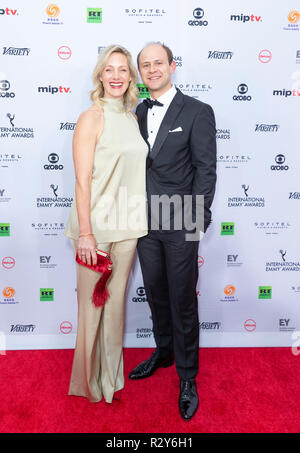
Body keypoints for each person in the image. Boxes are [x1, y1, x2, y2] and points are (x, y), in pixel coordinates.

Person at [128, 42, 217, 420]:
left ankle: (187, 376)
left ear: (172, 66)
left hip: (181, 223)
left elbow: (205, 170)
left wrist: (195, 220)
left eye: (157, 63)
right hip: (145, 224)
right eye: (145, 65)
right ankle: (163, 352)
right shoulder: (137, 110)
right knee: (157, 296)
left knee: (183, 301)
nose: (151, 70)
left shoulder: (197, 111)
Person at [64, 45, 148, 403]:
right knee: (92, 310)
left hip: (129, 227)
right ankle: (86, 383)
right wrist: (85, 233)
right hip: (95, 229)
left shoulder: (131, 117)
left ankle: (110, 379)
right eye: (109, 69)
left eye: (123, 70)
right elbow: (82, 180)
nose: (116, 76)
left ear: (131, 77)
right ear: (100, 75)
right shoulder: (91, 117)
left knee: (115, 311)